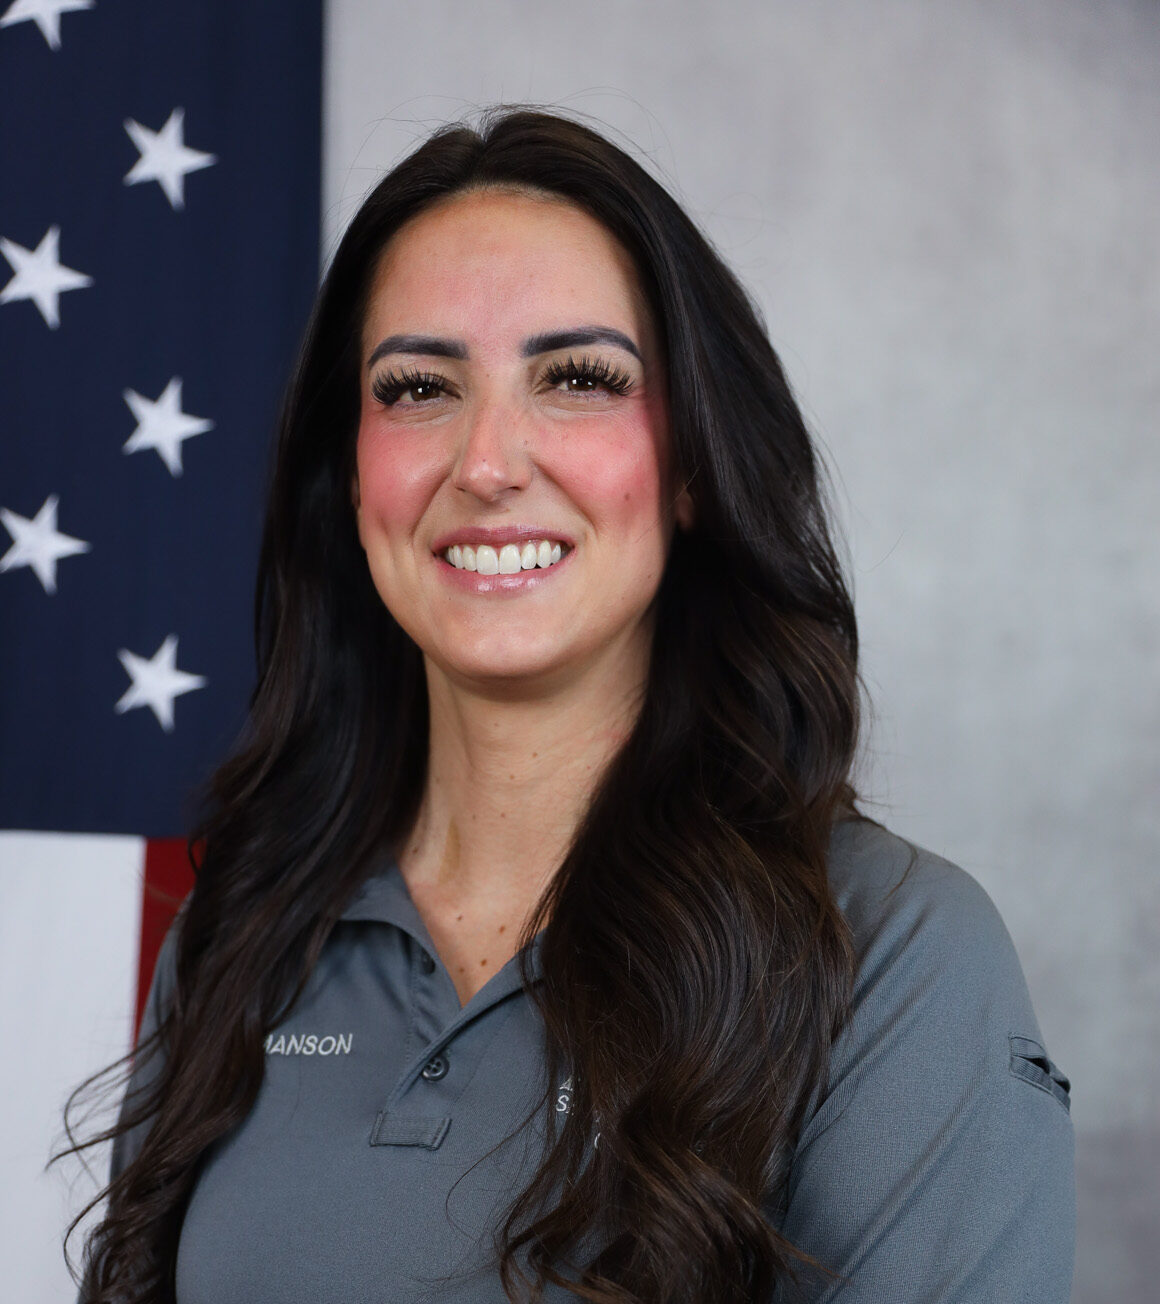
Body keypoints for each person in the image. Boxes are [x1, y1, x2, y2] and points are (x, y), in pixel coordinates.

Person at [65, 107, 1075, 1303]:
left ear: (693, 465)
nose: (486, 461)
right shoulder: (241, 931)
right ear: (349, 479)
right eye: (418, 385)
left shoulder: (897, 951)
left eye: (578, 377)